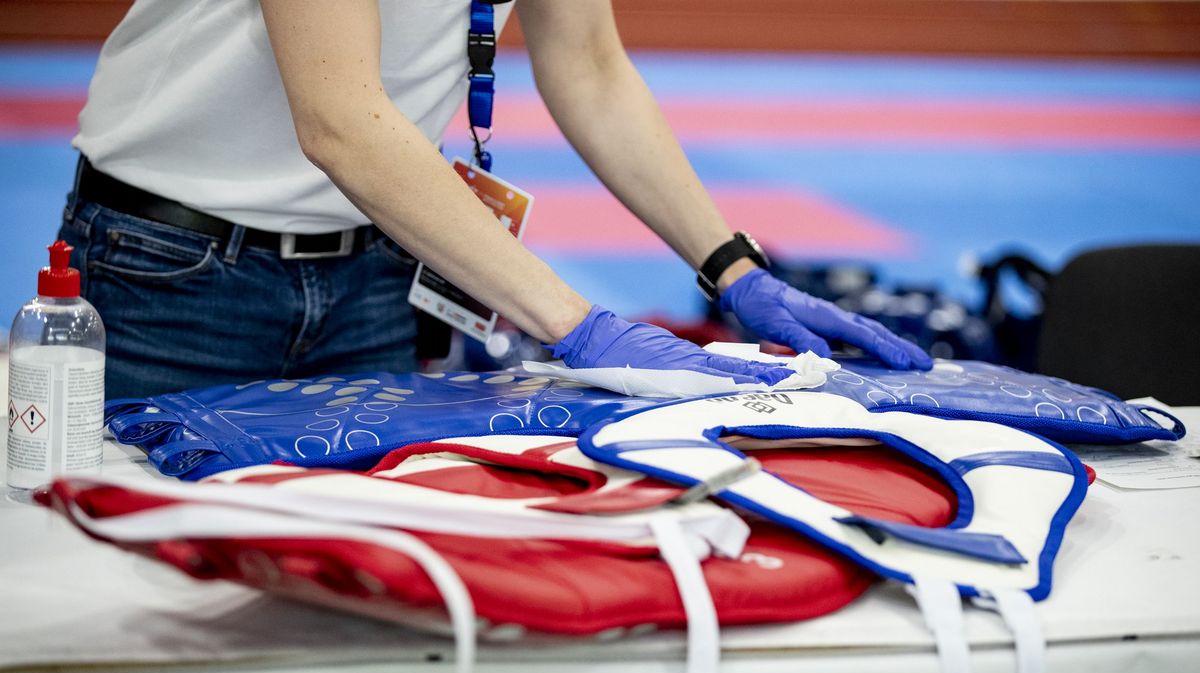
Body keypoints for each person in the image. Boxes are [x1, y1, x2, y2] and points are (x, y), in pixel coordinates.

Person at [58, 0, 931, 400]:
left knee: (353, 590)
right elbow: (340, 122)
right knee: (135, 593)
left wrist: (733, 267)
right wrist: (581, 326)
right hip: (172, 272)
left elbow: (589, 66)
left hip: (377, 267)